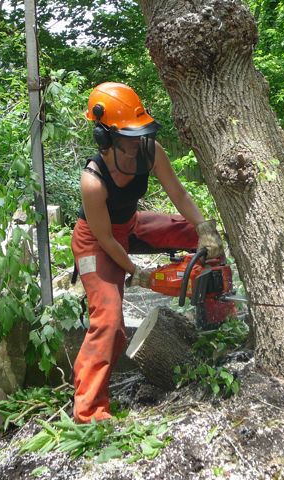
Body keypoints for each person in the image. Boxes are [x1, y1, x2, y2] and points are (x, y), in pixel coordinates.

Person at [71, 82, 223, 423]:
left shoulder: (150, 151)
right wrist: (138, 273)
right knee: (109, 322)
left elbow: (180, 196)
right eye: (128, 137)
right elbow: (107, 241)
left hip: (131, 224)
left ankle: (218, 313)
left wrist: (203, 228)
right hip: (96, 241)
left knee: (192, 234)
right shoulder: (92, 181)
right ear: (104, 138)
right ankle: (89, 410)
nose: (137, 143)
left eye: (139, 134)